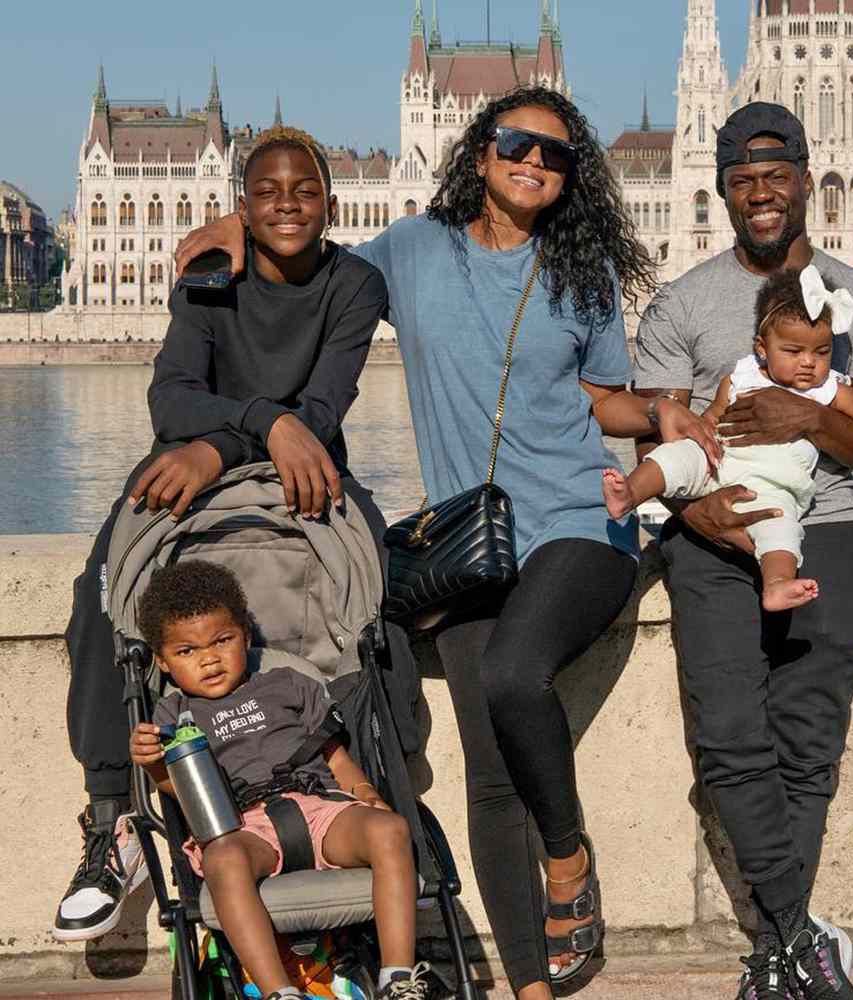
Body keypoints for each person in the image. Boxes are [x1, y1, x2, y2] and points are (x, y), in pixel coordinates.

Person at [176, 87, 717, 999]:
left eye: (554, 155)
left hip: (581, 521)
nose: (534, 163)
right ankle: (531, 987)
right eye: (517, 144)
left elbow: (602, 398)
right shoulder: (416, 252)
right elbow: (309, 258)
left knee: (513, 675)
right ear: (479, 152)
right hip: (473, 538)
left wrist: (661, 410)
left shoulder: (577, 273)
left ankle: (569, 855)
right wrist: (235, 221)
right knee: (488, 777)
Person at [55, 126, 398, 943]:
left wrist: (250, 435)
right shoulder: (210, 277)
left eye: (304, 190)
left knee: (377, 592)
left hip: (303, 471)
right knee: (98, 598)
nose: (288, 203)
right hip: (190, 466)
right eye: (268, 192)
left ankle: (378, 786)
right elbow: (170, 399)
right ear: (241, 207)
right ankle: (115, 824)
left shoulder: (356, 285)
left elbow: (322, 412)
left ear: (330, 202)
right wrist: (248, 430)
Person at [633, 102, 853, 1000]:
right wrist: (702, 514)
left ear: (805, 178)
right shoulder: (681, 305)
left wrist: (806, 416)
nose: (761, 192)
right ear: (720, 188)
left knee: (809, 741)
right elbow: (658, 440)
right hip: (711, 538)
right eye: (743, 178)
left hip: (825, 529)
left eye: (776, 174)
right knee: (728, 739)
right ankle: (798, 940)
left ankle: (776, 951)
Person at [129, 561, 427, 1000]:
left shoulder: (288, 683)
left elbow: (334, 755)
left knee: (391, 830)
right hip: (242, 825)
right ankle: (279, 992)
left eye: (222, 641)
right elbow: (182, 792)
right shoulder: (173, 716)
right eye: (187, 651)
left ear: (246, 636)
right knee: (223, 860)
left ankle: (398, 977)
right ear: (163, 662)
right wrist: (155, 765)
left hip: (320, 807)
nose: (208, 658)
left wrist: (365, 794)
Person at [605, 265, 853, 611]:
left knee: (781, 531)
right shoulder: (740, 376)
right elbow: (711, 416)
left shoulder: (828, 388)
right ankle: (630, 493)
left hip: (775, 485)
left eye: (821, 352)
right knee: (674, 458)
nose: (808, 363)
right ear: (762, 348)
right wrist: (702, 436)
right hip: (718, 462)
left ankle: (777, 585)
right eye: (793, 351)